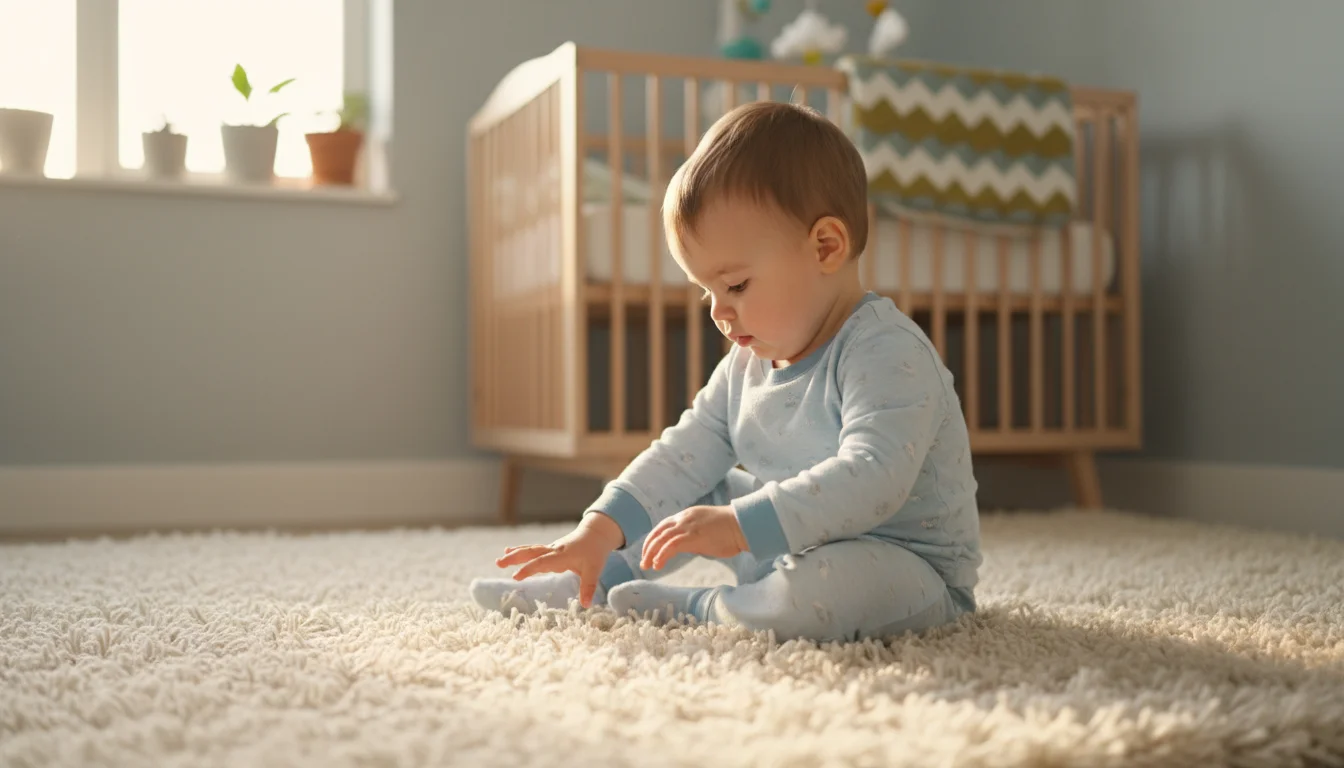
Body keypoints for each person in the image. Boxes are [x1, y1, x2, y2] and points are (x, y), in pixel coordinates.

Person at [469, 100, 982, 643]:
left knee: (820, 593)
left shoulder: (885, 351)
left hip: (902, 571)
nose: (718, 310)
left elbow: (874, 477)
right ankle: (589, 579)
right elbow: (681, 453)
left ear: (825, 247)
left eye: (735, 285)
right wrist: (599, 529)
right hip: (776, 545)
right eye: (706, 291)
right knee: (694, 489)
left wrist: (742, 527)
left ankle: (707, 607)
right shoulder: (745, 364)